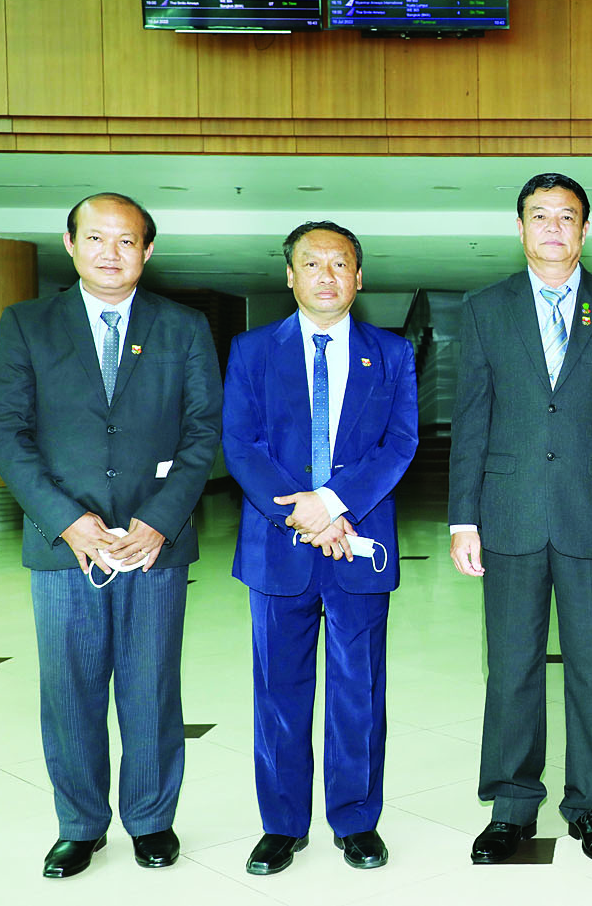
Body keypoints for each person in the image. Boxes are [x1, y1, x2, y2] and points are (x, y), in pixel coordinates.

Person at [0, 192, 223, 878]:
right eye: (96, 238)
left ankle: (150, 819)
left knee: (151, 688)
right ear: (71, 244)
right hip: (65, 547)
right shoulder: (27, 323)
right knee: (70, 691)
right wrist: (67, 520)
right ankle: (80, 825)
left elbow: (205, 430)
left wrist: (160, 519)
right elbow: (5, 432)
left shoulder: (183, 327)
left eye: (126, 241)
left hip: (154, 545)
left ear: (147, 250)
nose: (110, 253)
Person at [448, 173, 592, 864]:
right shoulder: (485, 308)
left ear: (584, 229)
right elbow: (472, 419)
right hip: (508, 513)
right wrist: (462, 518)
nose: (552, 227)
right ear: (519, 228)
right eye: (539, 216)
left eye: (566, 216)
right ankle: (512, 806)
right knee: (512, 667)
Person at [222, 221, 418, 875]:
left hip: (358, 542)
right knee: (279, 692)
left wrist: (332, 503)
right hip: (278, 550)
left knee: (359, 691)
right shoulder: (253, 350)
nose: (326, 275)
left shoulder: (391, 353)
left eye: (340, 264)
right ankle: (282, 824)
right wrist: (304, 514)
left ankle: (356, 820)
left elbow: (399, 444)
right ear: (290, 275)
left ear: (359, 277)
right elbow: (242, 446)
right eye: (312, 263)